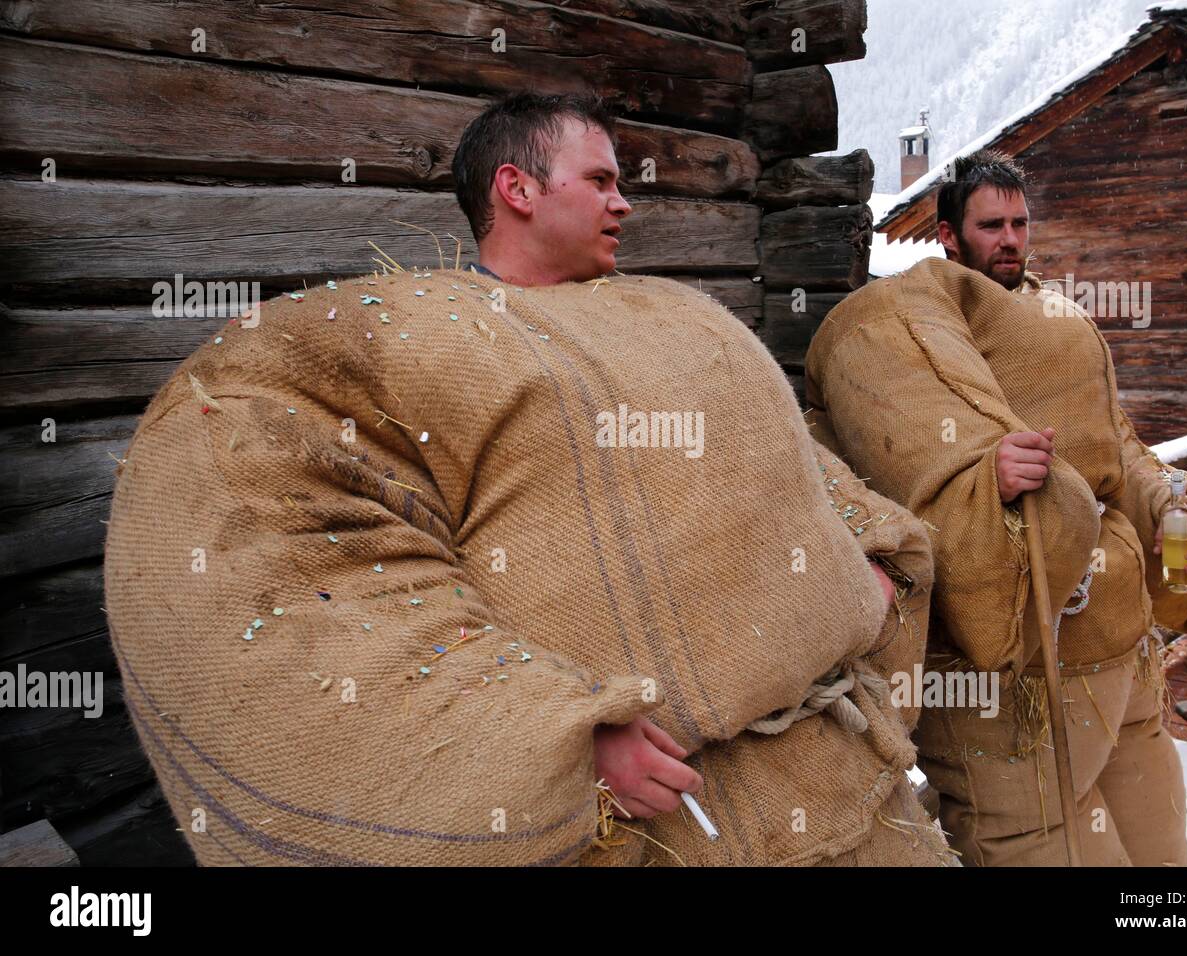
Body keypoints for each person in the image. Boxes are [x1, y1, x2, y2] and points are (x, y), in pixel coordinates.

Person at [104, 93, 952, 866]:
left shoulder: (679, 313)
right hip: (668, 834)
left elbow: (793, 461)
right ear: (517, 187)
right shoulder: (410, 340)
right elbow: (295, 570)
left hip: (856, 787)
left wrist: (867, 565)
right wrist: (551, 742)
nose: (625, 201)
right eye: (601, 179)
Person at [805, 149, 1187, 866]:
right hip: (1026, 681)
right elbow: (902, 455)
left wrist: (1167, 501)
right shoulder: (914, 326)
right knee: (1032, 844)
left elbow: (1115, 442)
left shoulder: (1053, 318)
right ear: (946, 233)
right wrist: (981, 475)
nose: (1009, 239)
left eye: (1020, 223)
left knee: (1163, 853)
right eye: (991, 224)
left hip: (1124, 648)